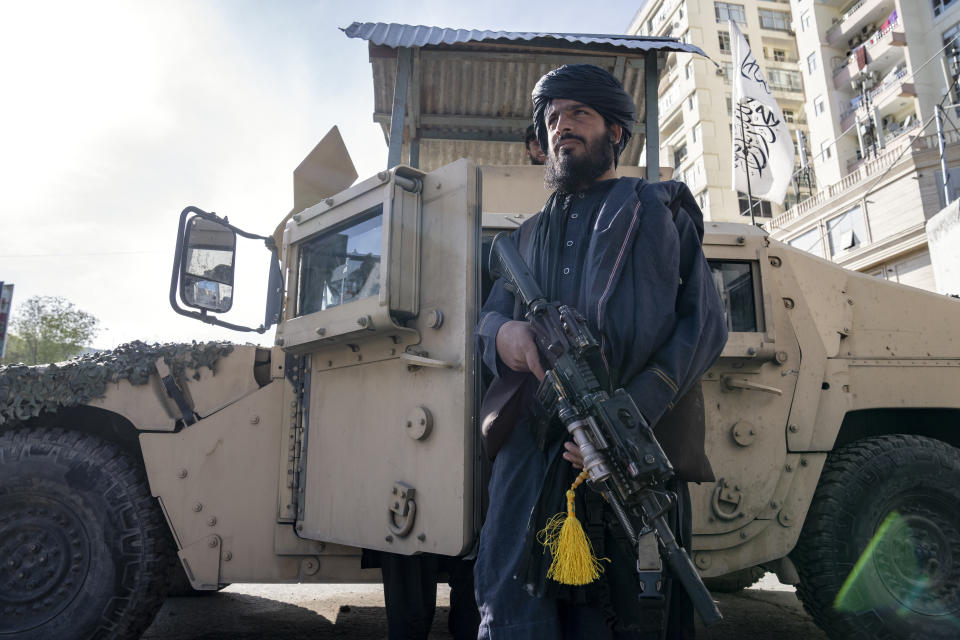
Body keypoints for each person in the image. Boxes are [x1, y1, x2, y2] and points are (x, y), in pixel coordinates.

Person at [474, 64, 728, 639]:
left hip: (631, 450)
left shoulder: (657, 210)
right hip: (532, 458)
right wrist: (503, 338)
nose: (563, 125)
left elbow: (704, 325)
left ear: (615, 131)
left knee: (629, 616)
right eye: (553, 117)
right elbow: (487, 320)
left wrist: (628, 416)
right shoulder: (520, 239)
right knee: (515, 608)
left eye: (579, 114)